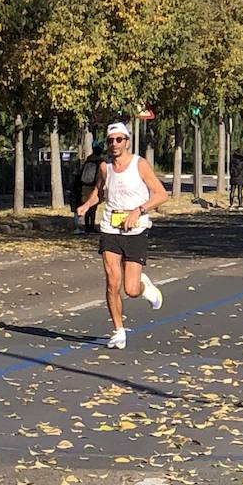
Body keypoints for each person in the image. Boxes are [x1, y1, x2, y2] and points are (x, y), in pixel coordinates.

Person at [75, 122, 168, 351]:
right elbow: (100, 190)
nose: (114, 144)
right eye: (110, 140)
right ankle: (118, 331)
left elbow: (161, 195)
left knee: (131, 289)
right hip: (110, 228)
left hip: (135, 230)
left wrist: (139, 210)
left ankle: (144, 287)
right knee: (112, 281)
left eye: (119, 140)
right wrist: (87, 205)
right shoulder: (105, 168)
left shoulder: (140, 165)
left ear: (127, 142)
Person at [74, 140, 105, 232]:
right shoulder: (100, 161)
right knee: (93, 207)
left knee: (86, 205)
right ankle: (91, 226)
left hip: (85, 186)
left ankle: (87, 226)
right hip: (94, 185)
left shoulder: (88, 160)